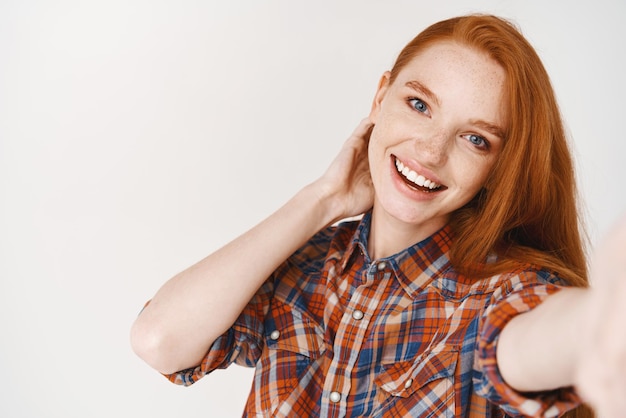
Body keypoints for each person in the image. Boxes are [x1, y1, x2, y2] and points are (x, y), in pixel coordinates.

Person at [130, 14, 625, 417]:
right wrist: (322, 199)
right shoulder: (307, 265)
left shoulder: (500, 291)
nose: (430, 152)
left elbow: (527, 339)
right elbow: (160, 341)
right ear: (379, 97)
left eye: (475, 139)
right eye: (418, 105)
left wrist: (597, 325)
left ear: (497, 168)